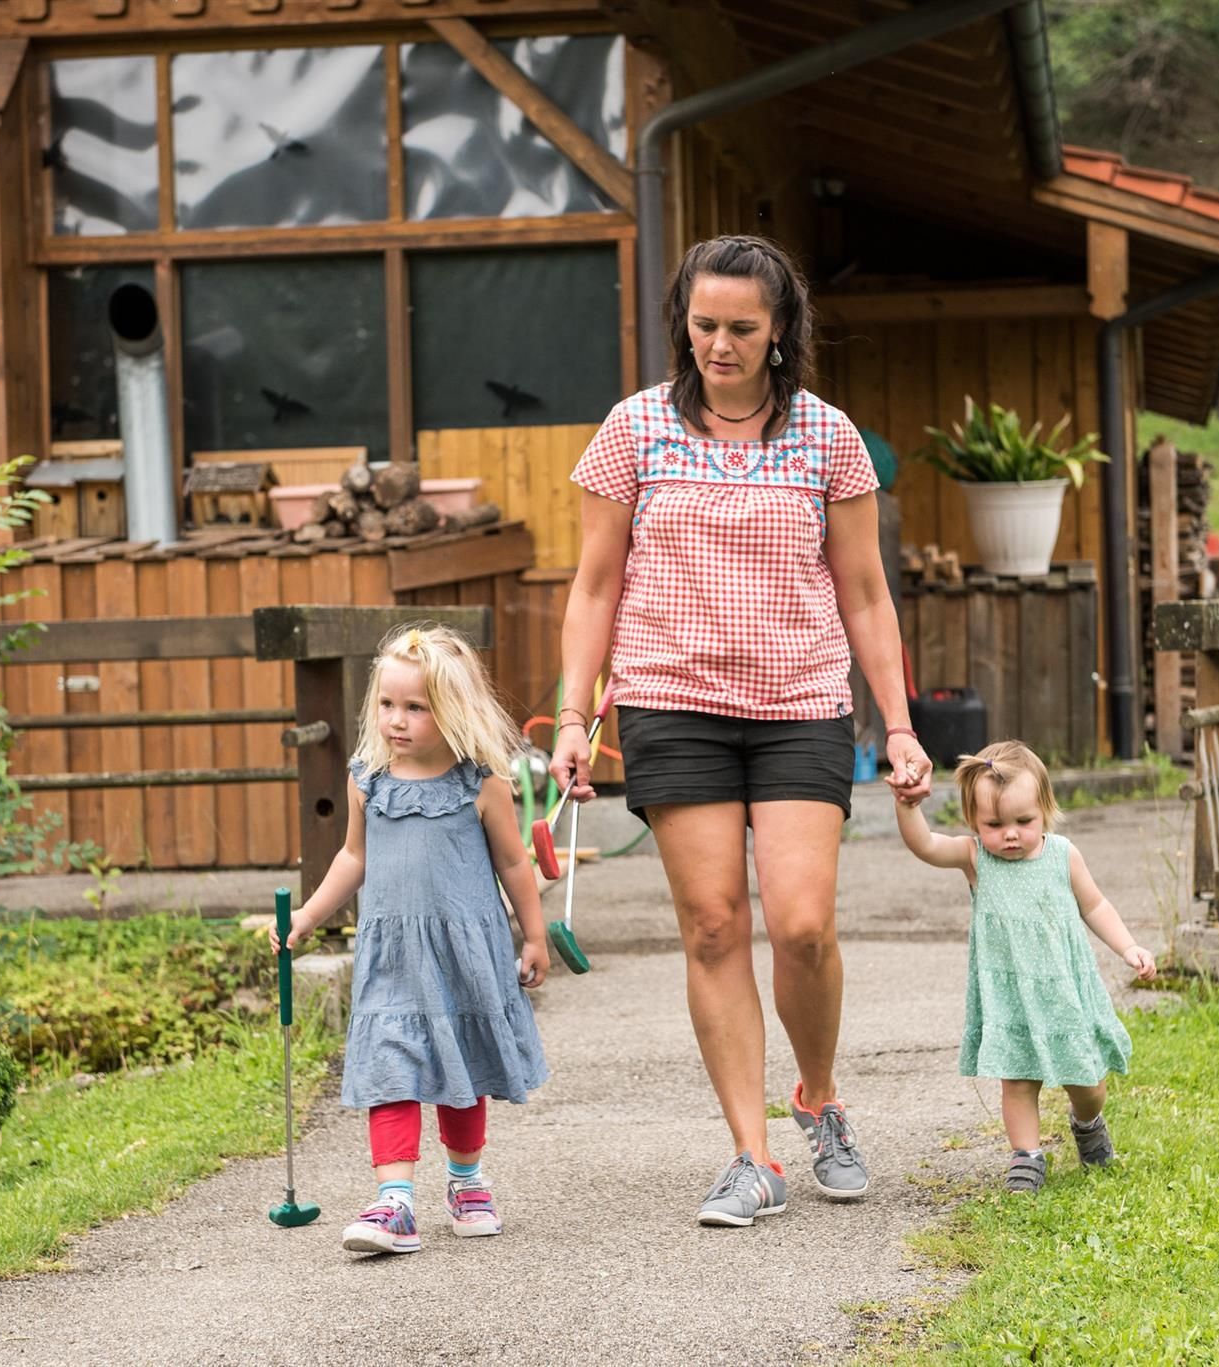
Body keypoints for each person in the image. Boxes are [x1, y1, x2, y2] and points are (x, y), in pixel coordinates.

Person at [551, 234, 932, 1228]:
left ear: (779, 332)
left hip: (799, 700)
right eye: (703, 324)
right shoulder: (632, 431)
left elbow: (863, 592)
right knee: (713, 923)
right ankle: (750, 1153)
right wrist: (569, 711)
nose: (718, 345)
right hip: (670, 700)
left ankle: (816, 1095)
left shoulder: (824, 437)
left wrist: (897, 724)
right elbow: (594, 585)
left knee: (801, 923)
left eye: (740, 329)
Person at [268, 624, 549, 1255]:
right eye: (388, 705)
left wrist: (533, 937)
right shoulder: (369, 779)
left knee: (461, 1065)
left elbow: (512, 864)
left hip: (462, 956)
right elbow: (352, 857)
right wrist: (307, 917)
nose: (397, 720)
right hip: (392, 955)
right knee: (391, 1067)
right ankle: (394, 1203)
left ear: (450, 709)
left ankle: (466, 1179)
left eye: (415, 707)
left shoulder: (480, 783)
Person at [893, 741, 1155, 1192]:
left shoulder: (1062, 856)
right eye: (994, 824)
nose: (1009, 834)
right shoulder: (977, 858)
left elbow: (1095, 906)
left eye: (1023, 822)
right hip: (1011, 996)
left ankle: (1087, 1123)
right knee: (1017, 1081)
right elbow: (925, 845)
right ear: (974, 821)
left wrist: (1128, 947)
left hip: (1064, 991)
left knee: (1088, 1082)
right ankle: (1027, 1156)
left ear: (1046, 811)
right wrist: (908, 805)